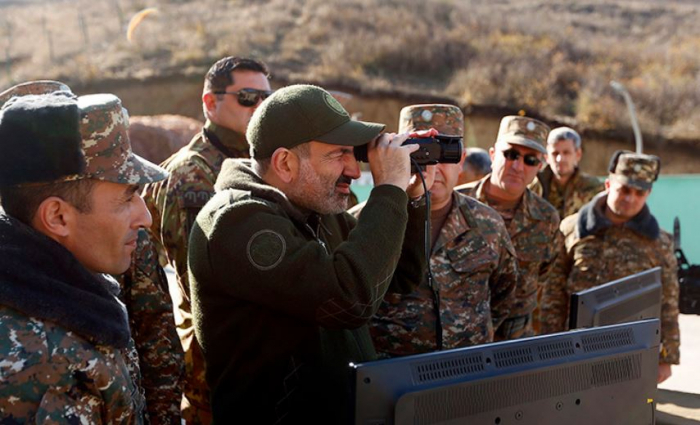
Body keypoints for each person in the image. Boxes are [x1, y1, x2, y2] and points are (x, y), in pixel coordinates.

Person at [188, 84, 428, 423]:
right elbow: (348, 298)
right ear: (285, 163)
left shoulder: (314, 211)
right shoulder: (236, 221)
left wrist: (409, 197)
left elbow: (401, 272)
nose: (355, 171)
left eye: (353, 153)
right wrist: (387, 190)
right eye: (338, 154)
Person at [0, 80, 184, 425]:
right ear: (57, 217)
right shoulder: (43, 366)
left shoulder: (71, 287)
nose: (144, 217)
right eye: (127, 197)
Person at [141, 55, 271, 423]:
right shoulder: (190, 175)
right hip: (216, 377)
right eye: (248, 97)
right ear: (210, 103)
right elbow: (209, 286)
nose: (260, 106)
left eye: (267, 97)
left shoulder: (262, 163)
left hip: (265, 368)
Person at [362, 104, 518, 357]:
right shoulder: (363, 221)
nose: (432, 166)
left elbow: (504, 296)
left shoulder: (488, 225)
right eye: (419, 151)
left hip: (466, 375)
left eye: (444, 153)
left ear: (462, 160)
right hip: (390, 377)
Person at [539, 151, 680, 383]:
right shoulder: (572, 229)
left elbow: (668, 302)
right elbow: (552, 296)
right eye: (624, 190)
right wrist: (549, 346)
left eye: (639, 193)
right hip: (576, 349)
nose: (630, 199)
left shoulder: (659, 242)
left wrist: (666, 357)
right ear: (608, 184)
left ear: (649, 193)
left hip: (631, 351)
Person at [456, 116, 560, 339]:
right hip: (461, 337)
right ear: (493, 155)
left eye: (530, 160)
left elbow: (542, 274)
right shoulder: (456, 204)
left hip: (516, 342)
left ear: (539, 167)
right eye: (510, 154)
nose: (517, 166)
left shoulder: (546, 218)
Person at [531, 126, 604, 219]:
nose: (560, 159)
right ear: (546, 157)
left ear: (578, 155)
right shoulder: (533, 186)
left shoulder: (594, 189)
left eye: (566, 153)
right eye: (555, 153)